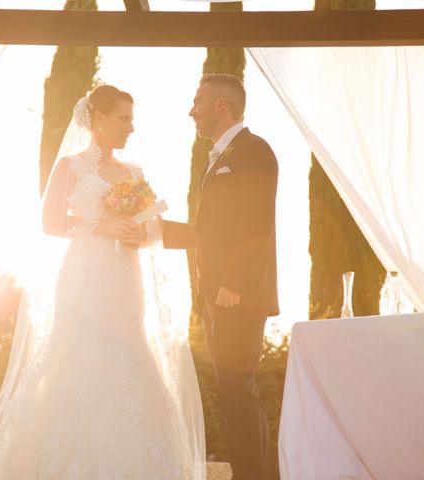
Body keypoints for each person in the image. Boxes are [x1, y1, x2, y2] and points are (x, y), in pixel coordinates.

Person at [0, 84, 205, 479]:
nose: (131, 127)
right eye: (124, 118)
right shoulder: (70, 167)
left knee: (132, 356)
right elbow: (50, 222)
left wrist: (141, 232)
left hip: (126, 283)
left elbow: (150, 224)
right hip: (84, 279)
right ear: (99, 120)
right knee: (77, 356)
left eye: (132, 120)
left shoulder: (133, 172)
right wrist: (102, 226)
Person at [162, 74, 279, 480]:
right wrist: (154, 230)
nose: (191, 110)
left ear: (220, 105)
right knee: (235, 393)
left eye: (197, 101)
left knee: (238, 391)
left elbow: (257, 225)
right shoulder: (216, 158)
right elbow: (209, 233)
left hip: (238, 294)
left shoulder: (255, 151)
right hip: (218, 296)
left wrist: (233, 283)